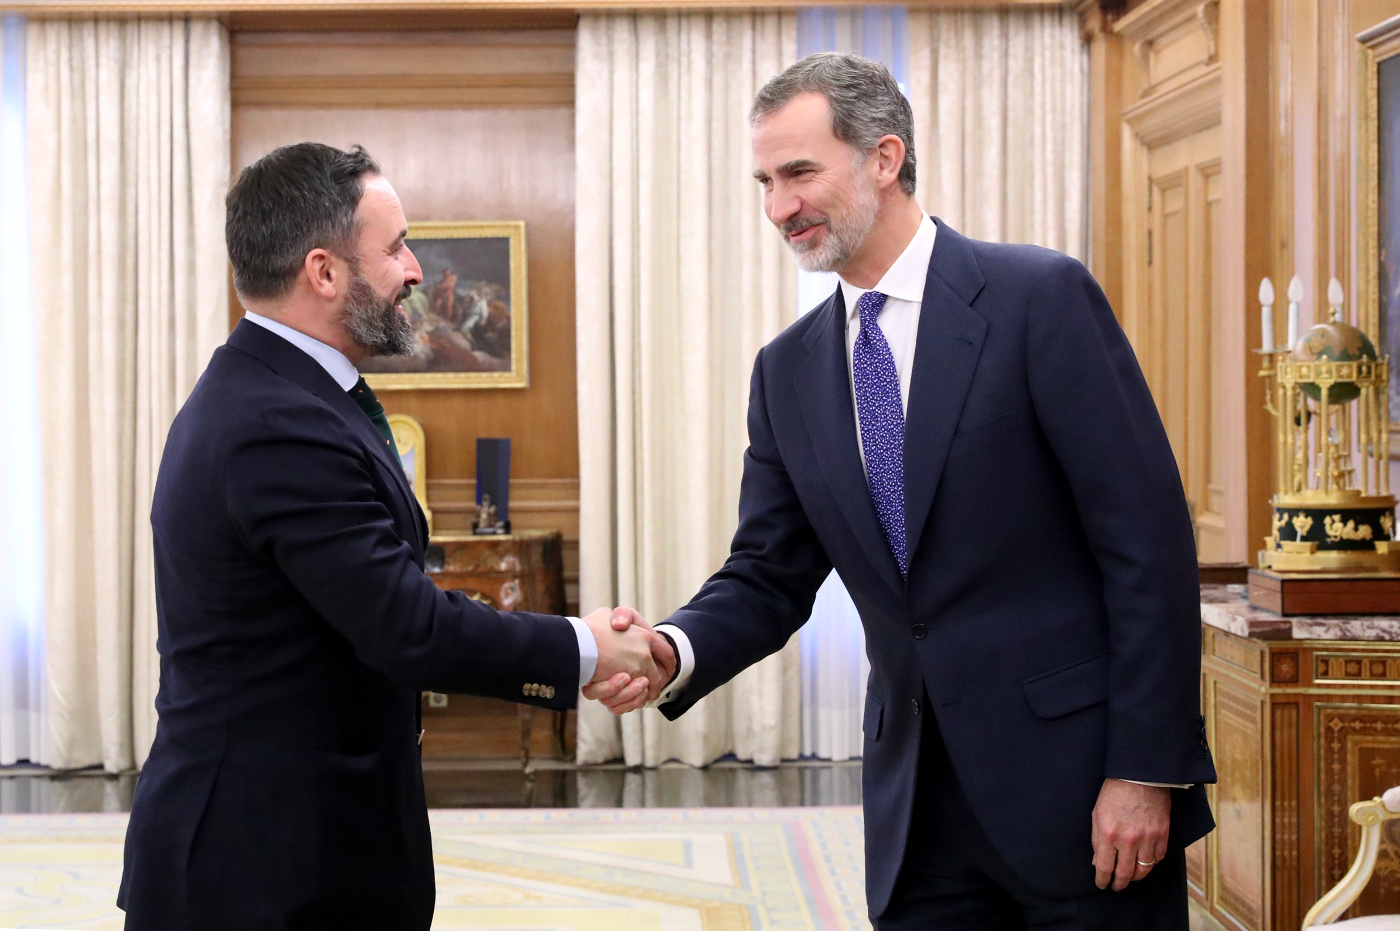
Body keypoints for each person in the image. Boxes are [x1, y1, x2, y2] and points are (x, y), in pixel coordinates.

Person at [589, 53, 1216, 929]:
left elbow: (1147, 548)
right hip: (915, 811)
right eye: (765, 182)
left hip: (1080, 792)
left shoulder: (1039, 298)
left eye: (799, 173)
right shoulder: (787, 371)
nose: (778, 207)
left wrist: (1145, 769)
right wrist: (671, 647)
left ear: (884, 157)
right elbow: (768, 572)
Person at [118, 142, 670, 930]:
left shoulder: (287, 395)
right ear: (323, 272)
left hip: (305, 841)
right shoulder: (274, 422)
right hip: (259, 866)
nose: (415, 270)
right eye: (397, 247)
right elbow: (408, 628)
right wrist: (586, 646)